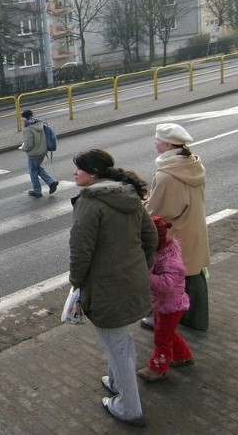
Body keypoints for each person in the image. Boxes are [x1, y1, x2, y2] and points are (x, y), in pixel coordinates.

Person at [69, 149, 157, 428]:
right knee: (118, 340)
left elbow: (80, 250)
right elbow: (150, 236)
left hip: (106, 286)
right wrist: (140, 266)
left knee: (117, 346)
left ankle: (129, 408)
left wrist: (77, 282)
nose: (74, 173)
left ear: (93, 174)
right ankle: (117, 382)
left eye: (79, 169)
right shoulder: (128, 196)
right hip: (131, 280)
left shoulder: (91, 202)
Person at [143, 123, 210, 331]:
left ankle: (161, 319)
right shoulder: (192, 164)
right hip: (193, 227)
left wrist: (142, 206)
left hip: (175, 233)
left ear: (168, 144)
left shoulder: (166, 175)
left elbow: (157, 211)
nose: (155, 143)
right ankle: (196, 320)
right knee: (193, 272)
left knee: (167, 276)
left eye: (157, 140)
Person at [137, 216, 194, 382]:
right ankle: (184, 356)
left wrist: (146, 276)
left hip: (171, 305)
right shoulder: (161, 253)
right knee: (168, 333)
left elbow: (167, 284)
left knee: (162, 338)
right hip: (163, 303)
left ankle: (158, 368)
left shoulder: (171, 261)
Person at [21, 109, 59, 197]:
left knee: (33, 172)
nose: (21, 120)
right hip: (43, 151)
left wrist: (22, 148)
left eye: (22, 118)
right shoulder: (39, 123)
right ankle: (52, 182)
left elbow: (29, 144)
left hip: (34, 153)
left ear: (25, 118)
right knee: (37, 168)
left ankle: (37, 191)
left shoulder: (27, 129)